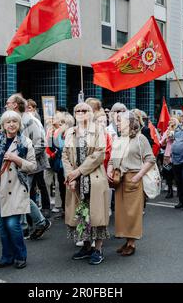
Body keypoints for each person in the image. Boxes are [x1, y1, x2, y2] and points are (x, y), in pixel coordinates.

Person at [0, 111, 37, 269]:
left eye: (14, 121)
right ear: (3, 125)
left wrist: (16, 158)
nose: (11, 124)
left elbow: (32, 166)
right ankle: (7, 256)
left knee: (12, 225)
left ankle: (20, 255)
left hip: (16, 188)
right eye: (8, 122)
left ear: (19, 124)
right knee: (3, 227)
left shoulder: (25, 142)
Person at [63, 103, 109, 265]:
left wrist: (79, 172)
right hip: (76, 181)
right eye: (78, 110)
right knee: (82, 215)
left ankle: (98, 249)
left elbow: (99, 154)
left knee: (96, 215)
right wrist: (71, 176)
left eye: (85, 110)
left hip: (93, 179)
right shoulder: (71, 132)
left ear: (90, 113)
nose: (81, 112)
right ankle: (87, 246)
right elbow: (65, 156)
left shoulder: (98, 130)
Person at [108, 111, 155, 256]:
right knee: (122, 213)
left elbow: (150, 159)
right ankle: (127, 240)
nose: (117, 123)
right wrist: (109, 170)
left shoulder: (141, 139)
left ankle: (132, 243)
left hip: (133, 178)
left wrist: (139, 176)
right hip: (118, 179)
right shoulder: (118, 139)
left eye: (120, 121)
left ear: (130, 123)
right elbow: (111, 159)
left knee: (132, 212)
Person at [5, 94, 51, 238]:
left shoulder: (30, 120)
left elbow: (41, 144)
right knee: (22, 194)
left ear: (15, 105)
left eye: (8, 103)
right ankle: (32, 224)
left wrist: (25, 159)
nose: (5, 105)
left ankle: (30, 224)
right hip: (17, 164)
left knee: (22, 195)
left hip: (29, 165)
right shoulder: (14, 120)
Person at [160, 117, 179, 199]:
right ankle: (170, 190)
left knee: (176, 173)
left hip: (176, 154)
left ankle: (179, 190)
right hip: (167, 155)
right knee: (168, 173)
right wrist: (165, 137)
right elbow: (162, 143)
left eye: (173, 120)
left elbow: (174, 138)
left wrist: (171, 132)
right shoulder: (167, 131)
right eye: (170, 120)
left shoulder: (178, 130)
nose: (171, 122)